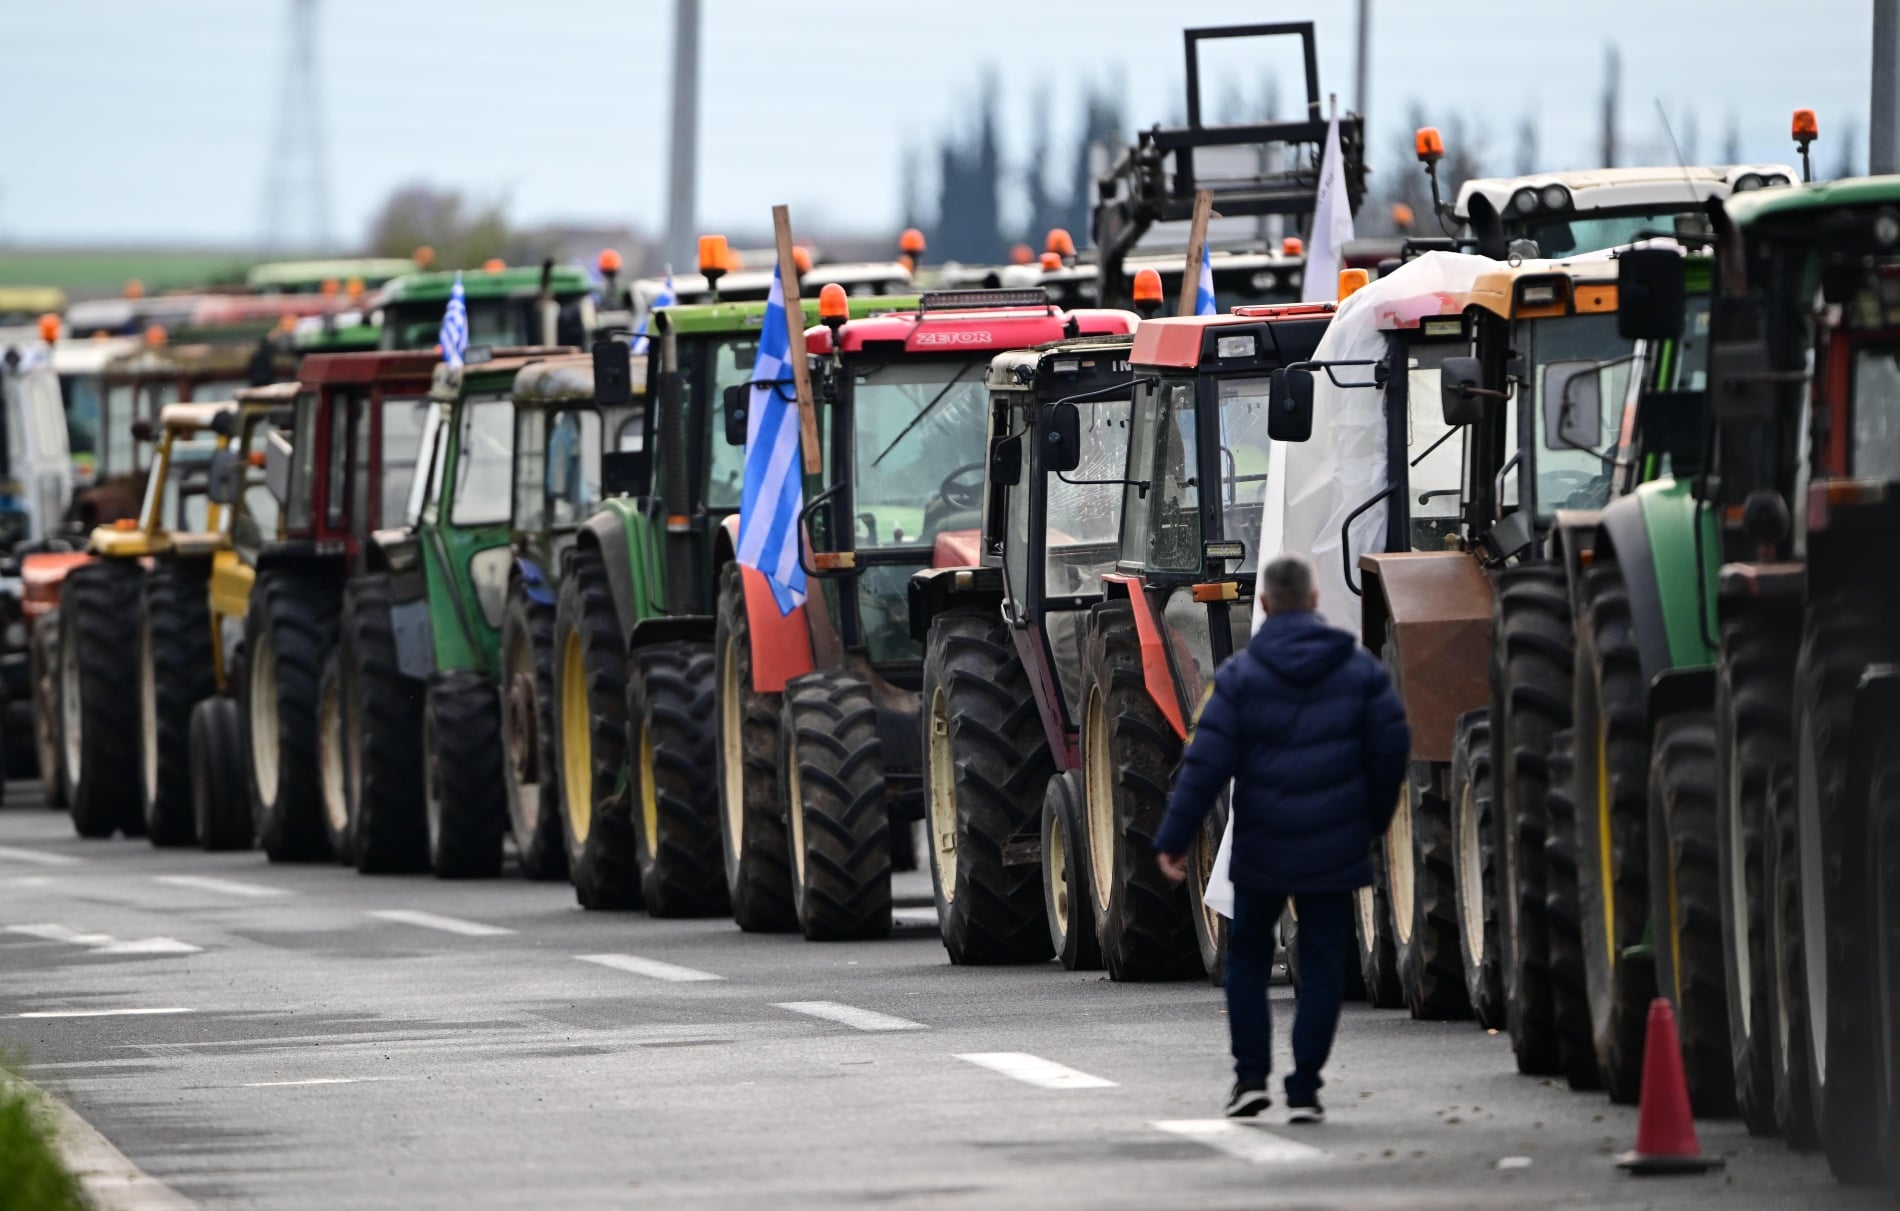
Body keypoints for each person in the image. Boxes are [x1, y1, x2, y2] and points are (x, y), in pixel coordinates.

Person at [1154, 553, 1409, 1123]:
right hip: (1333, 844)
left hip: (1262, 846)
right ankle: (1305, 1087)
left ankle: (1250, 1079)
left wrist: (1174, 838)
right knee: (1322, 966)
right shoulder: (1360, 670)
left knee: (1247, 959)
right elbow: (1392, 751)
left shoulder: (1237, 678)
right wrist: (1370, 823)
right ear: (1314, 600)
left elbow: (1204, 766)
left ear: (1265, 604)